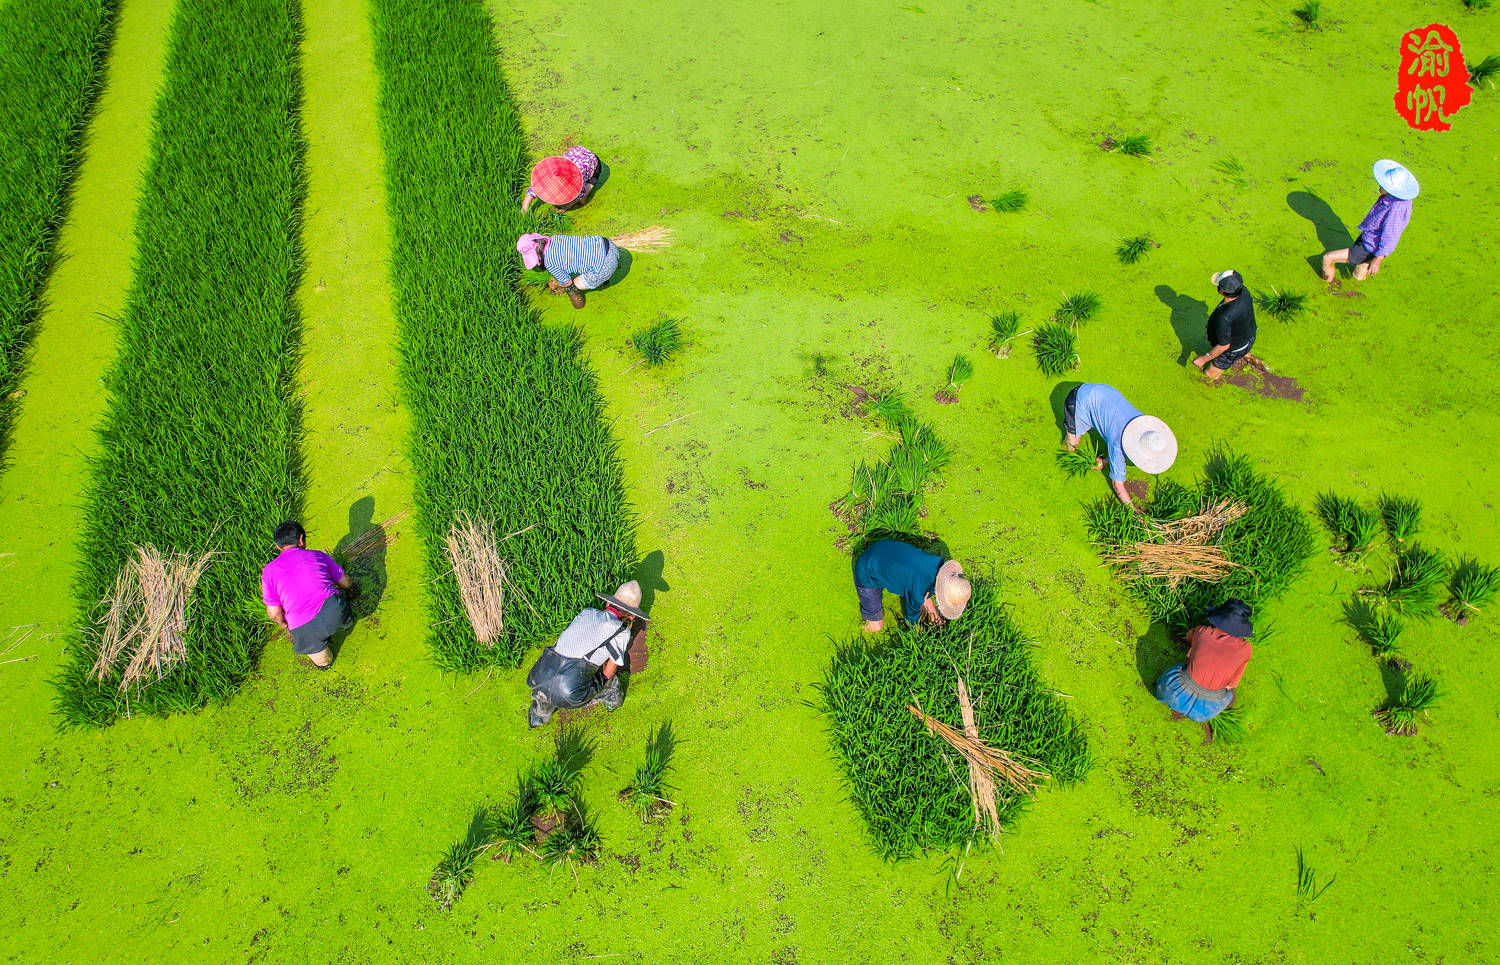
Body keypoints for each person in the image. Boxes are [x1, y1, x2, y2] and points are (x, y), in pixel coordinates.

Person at [527, 581, 646, 727]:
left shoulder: (587, 612)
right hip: (567, 691)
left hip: (539, 674)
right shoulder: (621, 631)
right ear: (633, 616)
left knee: (545, 693)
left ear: (608, 603)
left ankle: (537, 716)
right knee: (610, 683)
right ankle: (611, 701)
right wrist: (603, 681)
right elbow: (612, 664)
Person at [1062, 383, 1178, 508]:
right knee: (1072, 445)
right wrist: (1134, 512)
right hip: (1079, 399)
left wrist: (1106, 461)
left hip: (1102, 392)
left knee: (1111, 433)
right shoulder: (1118, 445)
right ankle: (1065, 445)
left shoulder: (1141, 422)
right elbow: (1118, 485)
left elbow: (1115, 433)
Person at [1153, 600, 1254, 741]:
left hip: (1172, 692)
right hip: (1206, 712)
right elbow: (1231, 685)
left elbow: (1189, 638)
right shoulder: (1246, 650)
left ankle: (1176, 705)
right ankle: (1190, 712)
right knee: (1231, 695)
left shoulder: (1202, 631)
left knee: (1183, 665)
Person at [261, 521, 353, 669]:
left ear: (278, 546)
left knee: (324, 662)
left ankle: (324, 659)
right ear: (301, 540)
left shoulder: (268, 572)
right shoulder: (318, 555)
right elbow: (346, 583)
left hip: (303, 628)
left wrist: (285, 626)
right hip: (335, 612)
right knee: (339, 613)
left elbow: (273, 613)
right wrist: (351, 590)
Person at [1320, 159, 1418, 284]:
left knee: (1328, 258)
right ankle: (1356, 286)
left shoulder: (1396, 208)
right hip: (1369, 238)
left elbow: (1391, 234)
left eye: (1383, 185)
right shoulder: (1393, 198)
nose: (1379, 186)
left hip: (1369, 247)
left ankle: (1325, 286)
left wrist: (1378, 259)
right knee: (1360, 272)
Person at [853, 539, 971, 632]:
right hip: (866, 571)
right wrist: (917, 633)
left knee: (923, 596)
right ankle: (865, 625)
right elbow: (911, 620)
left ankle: (936, 619)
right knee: (876, 626)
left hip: (882, 547)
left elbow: (924, 588)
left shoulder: (939, 563)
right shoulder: (918, 591)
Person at [516, 233, 619, 309]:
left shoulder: (550, 263)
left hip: (607, 265)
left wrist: (557, 284)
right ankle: (603, 278)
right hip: (608, 244)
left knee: (575, 284)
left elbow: (567, 283)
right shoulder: (554, 238)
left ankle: (601, 280)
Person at [1192, 270, 1257, 381]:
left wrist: (1203, 359)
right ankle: (1247, 355)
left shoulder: (1224, 317)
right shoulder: (1243, 291)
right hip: (1249, 335)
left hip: (1233, 349)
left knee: (1209, 375)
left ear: (1221, 291)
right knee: (1243, 349)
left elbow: (1224, 346)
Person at [521, 147, 602, 214]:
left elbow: (579, 194)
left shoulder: (577, 179)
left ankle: (583, 201)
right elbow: (530, 194)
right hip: (575, 152)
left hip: (592, 161)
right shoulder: (544, 177)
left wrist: (565, 207)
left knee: (582, 199)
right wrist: (524, 210)